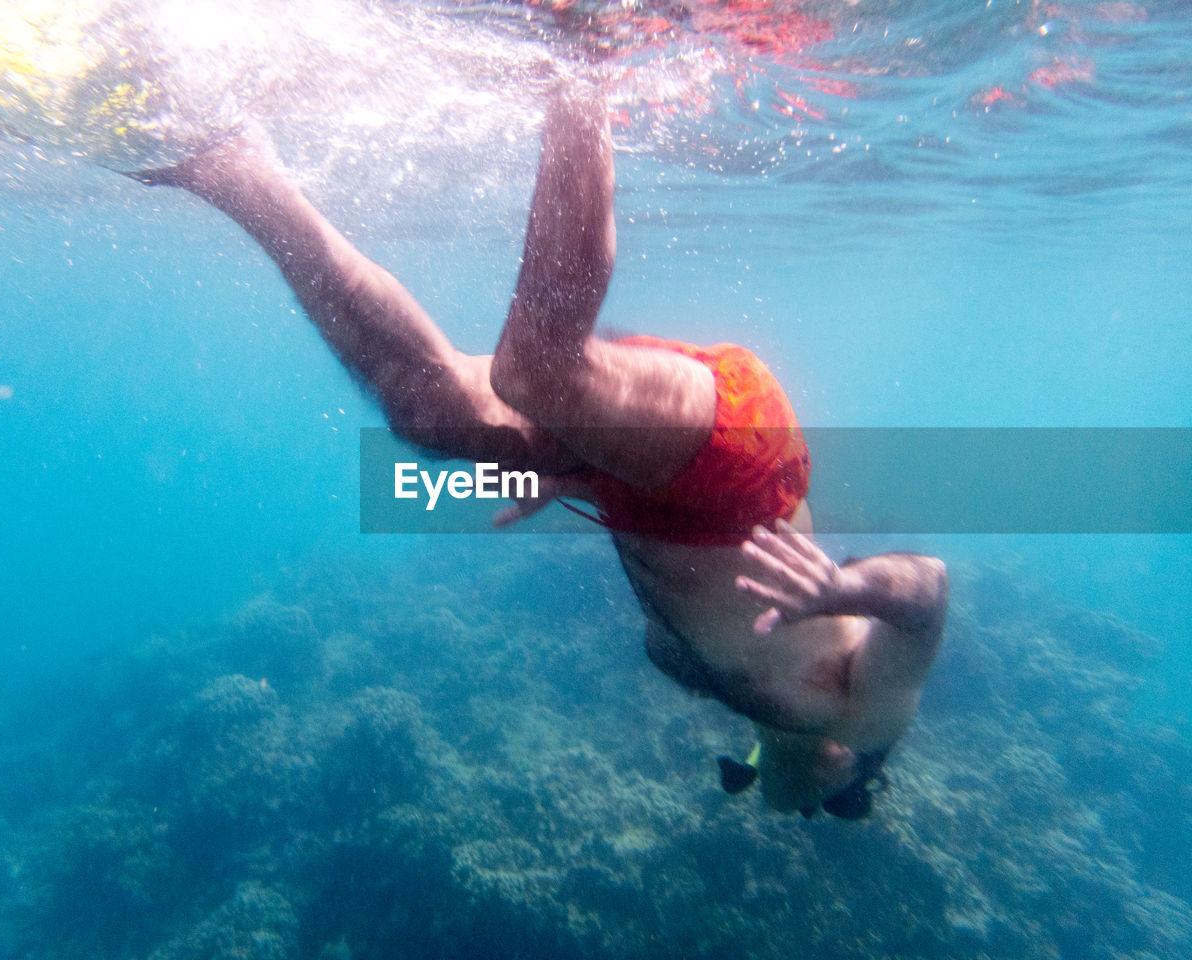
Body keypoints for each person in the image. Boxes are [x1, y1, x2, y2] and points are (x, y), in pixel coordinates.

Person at [131, 83, 948, 819]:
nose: (793, 809)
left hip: (644, 488)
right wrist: (844, 584)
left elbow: (689, 590)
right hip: (744, 473)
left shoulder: (752, 703)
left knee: (430, 408)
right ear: (847, 779)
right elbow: (927, 590)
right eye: (813, 813)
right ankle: (582, 66)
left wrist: (572, 476)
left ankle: (232, 167)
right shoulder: (867, 715)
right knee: (538, 372)